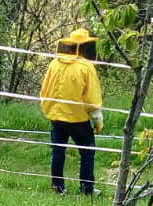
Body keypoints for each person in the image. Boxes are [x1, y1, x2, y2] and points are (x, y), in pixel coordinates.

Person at [39, 28, 103, 196]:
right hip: (78, 120)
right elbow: (92, 98)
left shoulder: (55, 63)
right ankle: (87, 189)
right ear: (84, 47)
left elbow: (44, 91)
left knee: (58, 152)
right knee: (87, 153)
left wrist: (49, 110)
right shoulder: (86, 67)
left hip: (56, 117)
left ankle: (57, 187)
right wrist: (97, 121)